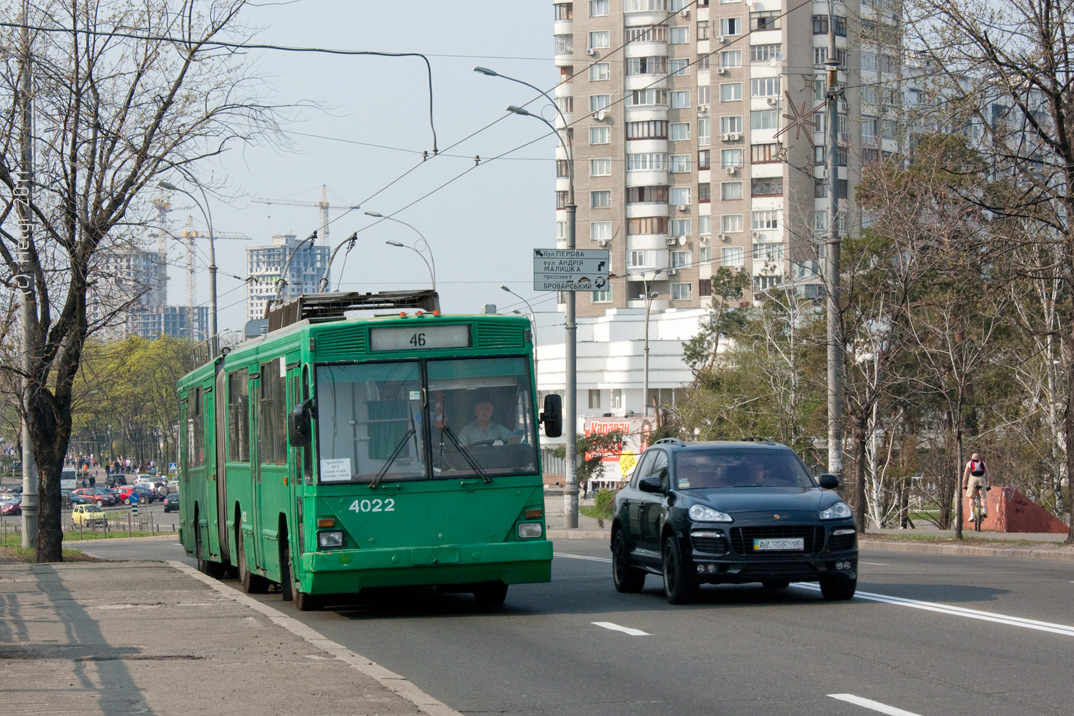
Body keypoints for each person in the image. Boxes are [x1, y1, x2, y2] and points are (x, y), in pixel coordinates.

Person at [962, 452, 991, 519]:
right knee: (983, 497)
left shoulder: (969, 463)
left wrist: (964, 484)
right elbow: (989, 475)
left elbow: (965, 475)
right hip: (982, 479)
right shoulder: (983, 463)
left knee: (971, 498)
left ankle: (972, 515)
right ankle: (984, 510)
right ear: (979, 458)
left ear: (972, 458)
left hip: (972, 480)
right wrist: (989, 485)